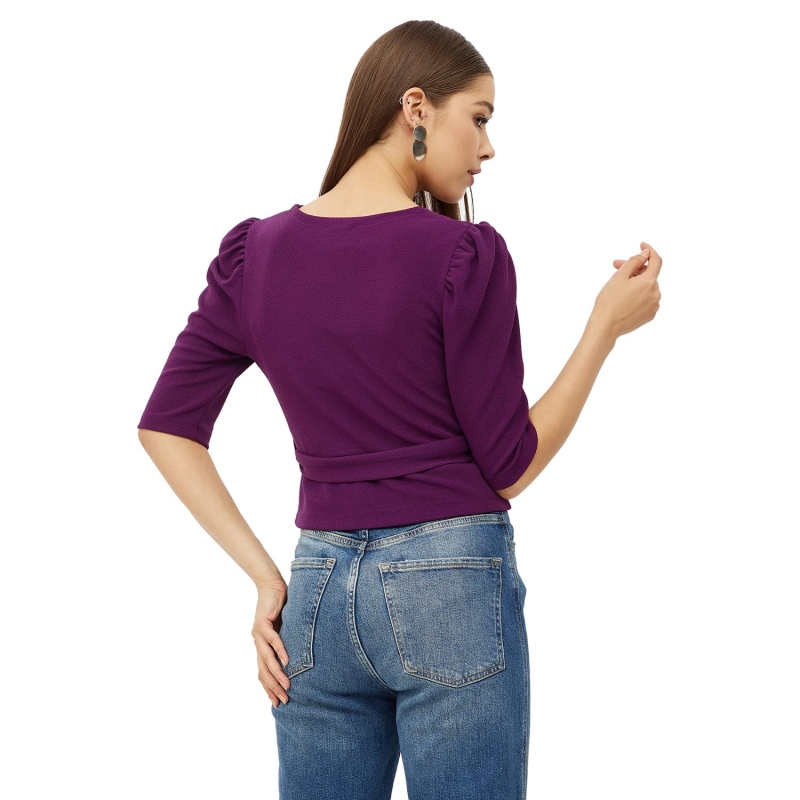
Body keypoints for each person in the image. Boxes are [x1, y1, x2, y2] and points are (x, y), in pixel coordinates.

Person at [136, 19, 662, 800]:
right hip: (450, 584)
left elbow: (166, 426)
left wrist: (267, 579)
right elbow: (511, 465)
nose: (488, 148)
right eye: (478, 118)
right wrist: (603, 330)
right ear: (416, 107)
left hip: (315, 589)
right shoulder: (461, 255)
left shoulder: (257, 254)